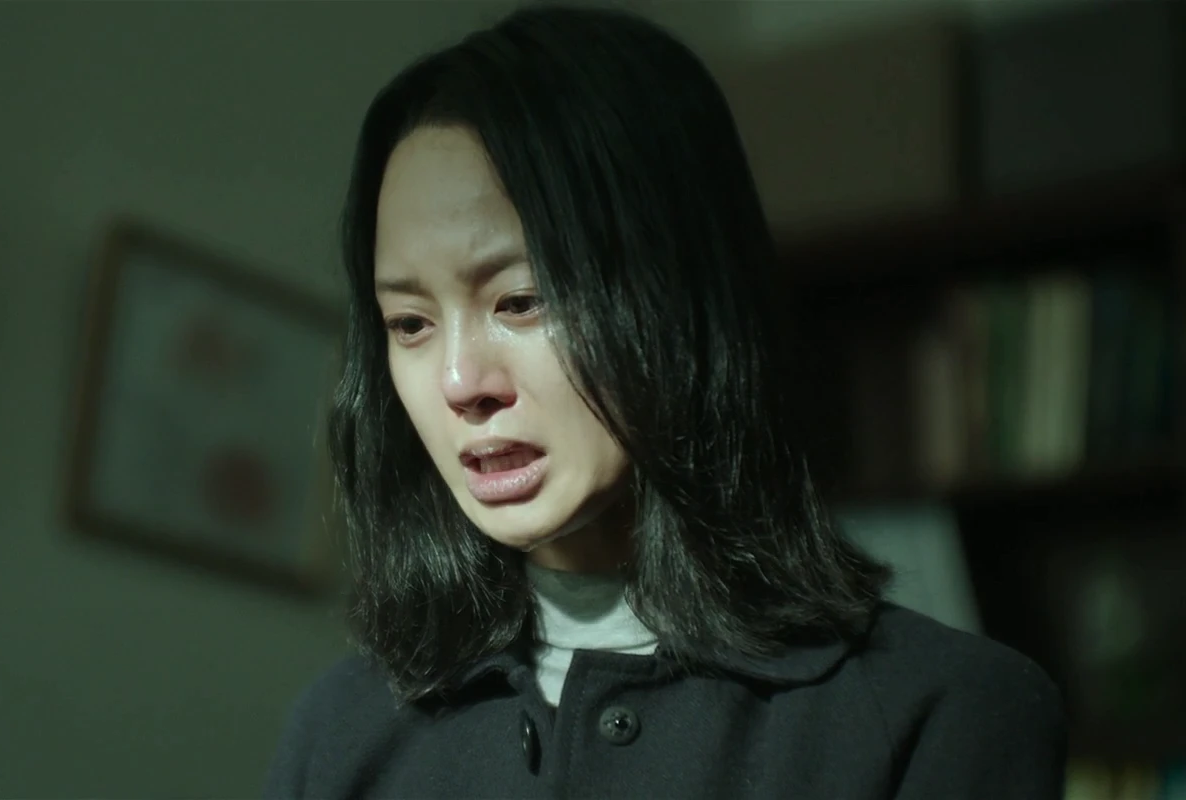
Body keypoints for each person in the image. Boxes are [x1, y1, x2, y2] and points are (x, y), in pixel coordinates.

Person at [264, 5, 1065, 799]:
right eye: (410, 323)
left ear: (677, 295)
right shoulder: (340, 735)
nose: (459, 382)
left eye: (522, 301)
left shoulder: (943, 713)